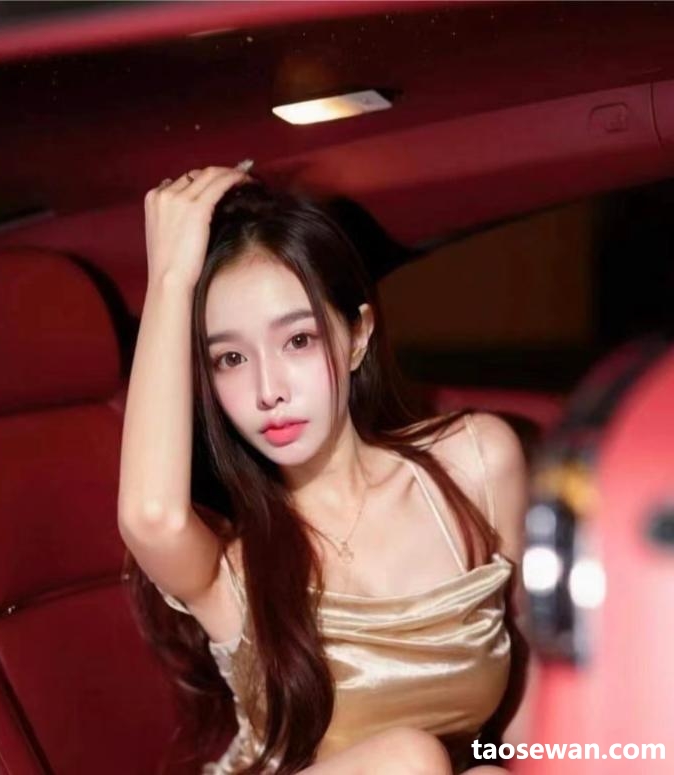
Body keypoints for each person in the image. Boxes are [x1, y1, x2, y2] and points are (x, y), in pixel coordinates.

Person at [118, 163, 531, 775]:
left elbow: (533, 673)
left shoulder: (476, 465)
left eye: (298, 341)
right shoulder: (232, 568)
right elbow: (150, 518)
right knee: (410, 759)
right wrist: (170, 280)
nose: (268, 390)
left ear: (357, 335)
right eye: (230, 358)